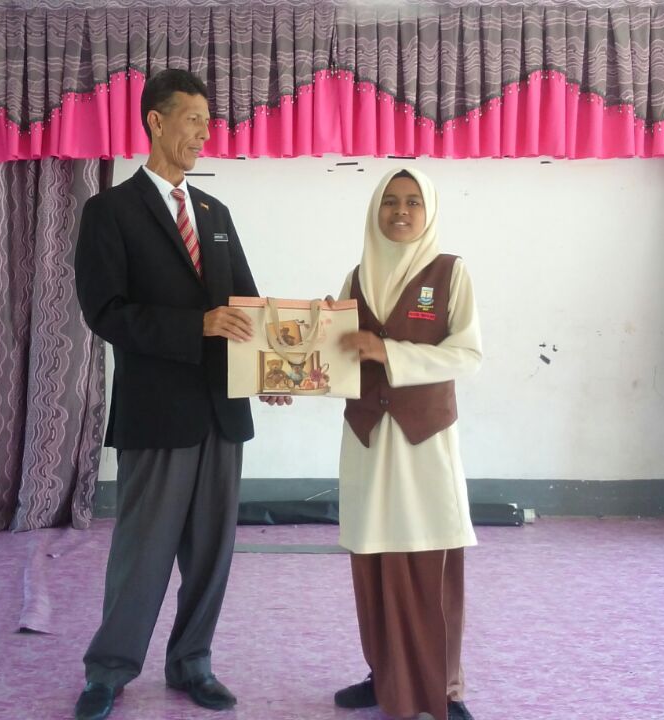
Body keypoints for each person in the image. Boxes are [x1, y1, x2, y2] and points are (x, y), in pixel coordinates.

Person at [71, 69, 288, 720]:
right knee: (142, 551)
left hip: (223, 410)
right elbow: (105, 312)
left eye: (206, 121)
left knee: (212, 553)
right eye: (192, 119)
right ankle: (109, 670)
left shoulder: (216, 214)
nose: (202, 133)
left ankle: (193, 662)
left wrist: (271, 369)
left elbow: (245, 304)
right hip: (157, 412)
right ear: (156, 121)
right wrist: (197, 325)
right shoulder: (109, 212)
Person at [332, 168, 481, 720]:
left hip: (424, 442)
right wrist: (289, 376)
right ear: (376, 210)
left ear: (429, 210)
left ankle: (445, 690)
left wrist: (389, 352)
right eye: (390, 201)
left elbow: (467, 354)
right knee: (373, 560)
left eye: (413, 201)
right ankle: (383, 676)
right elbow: (336, 357)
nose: (400, 211)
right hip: (368, 438)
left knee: (428, 558)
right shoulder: (356, 278)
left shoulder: (450, 273)